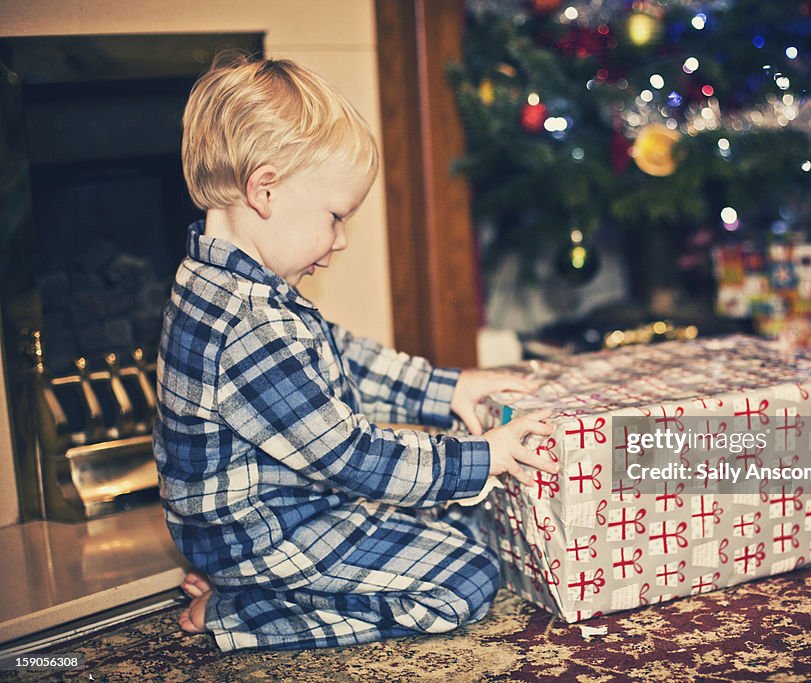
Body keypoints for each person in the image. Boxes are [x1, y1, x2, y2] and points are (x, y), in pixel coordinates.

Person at [154, 52, 556, 652]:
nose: (341, 241)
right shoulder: (246, 321)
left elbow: (342, 357)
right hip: (267, 533)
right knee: (468, 577)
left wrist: (446, 388)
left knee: (457, 520)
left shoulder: (225, 280)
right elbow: (353, 457)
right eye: (336, 217)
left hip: (275, 511)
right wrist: (482, 455)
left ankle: (257, 587)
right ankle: (248, 612)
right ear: (264, 189)